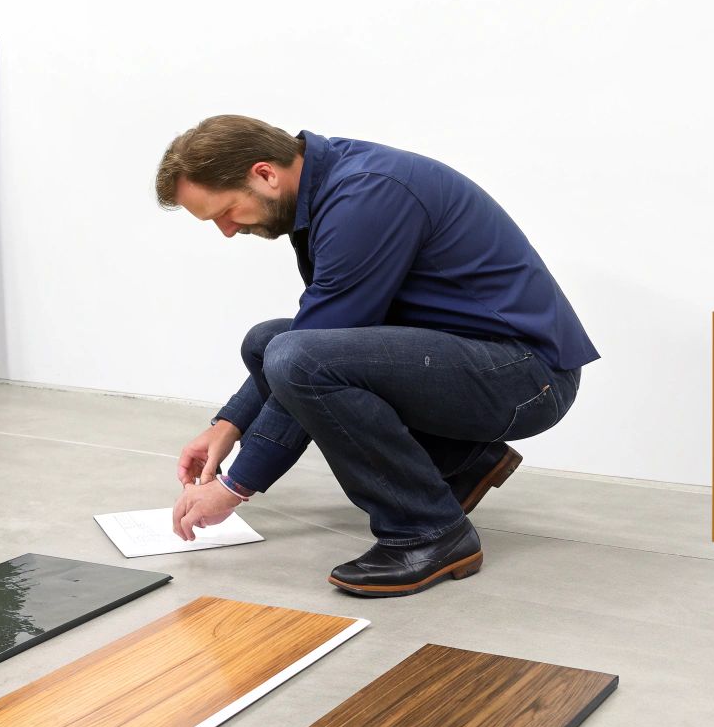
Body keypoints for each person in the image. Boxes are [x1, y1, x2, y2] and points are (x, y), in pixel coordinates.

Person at [156, 115, 599, 597]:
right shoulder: (331, 187)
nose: (225, 230)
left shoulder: (365, 197)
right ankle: (458, 462)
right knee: (267, 342)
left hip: (526, 377)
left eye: (225, 211)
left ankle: (427, 532)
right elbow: (317, 330)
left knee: (295, 357)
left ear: (265, 174)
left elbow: (309, 353)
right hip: (476, 359)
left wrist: (235, 486)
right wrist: (228, 425)